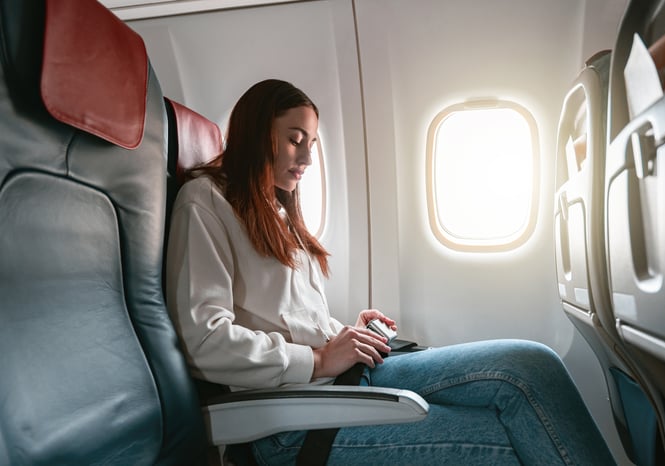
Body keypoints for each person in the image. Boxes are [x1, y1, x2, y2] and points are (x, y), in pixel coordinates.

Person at [166, 79, 616, 465]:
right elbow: (203, 342)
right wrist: (320, 359)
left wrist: (344, 334)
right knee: (510, 433)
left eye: (311, 144)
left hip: (335, 382)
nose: (305, 158)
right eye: (294, 139)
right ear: (255, 132)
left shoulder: (275, 208)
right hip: (287, 420)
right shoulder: (205, 202)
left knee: (531, 362)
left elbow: (282, 317)